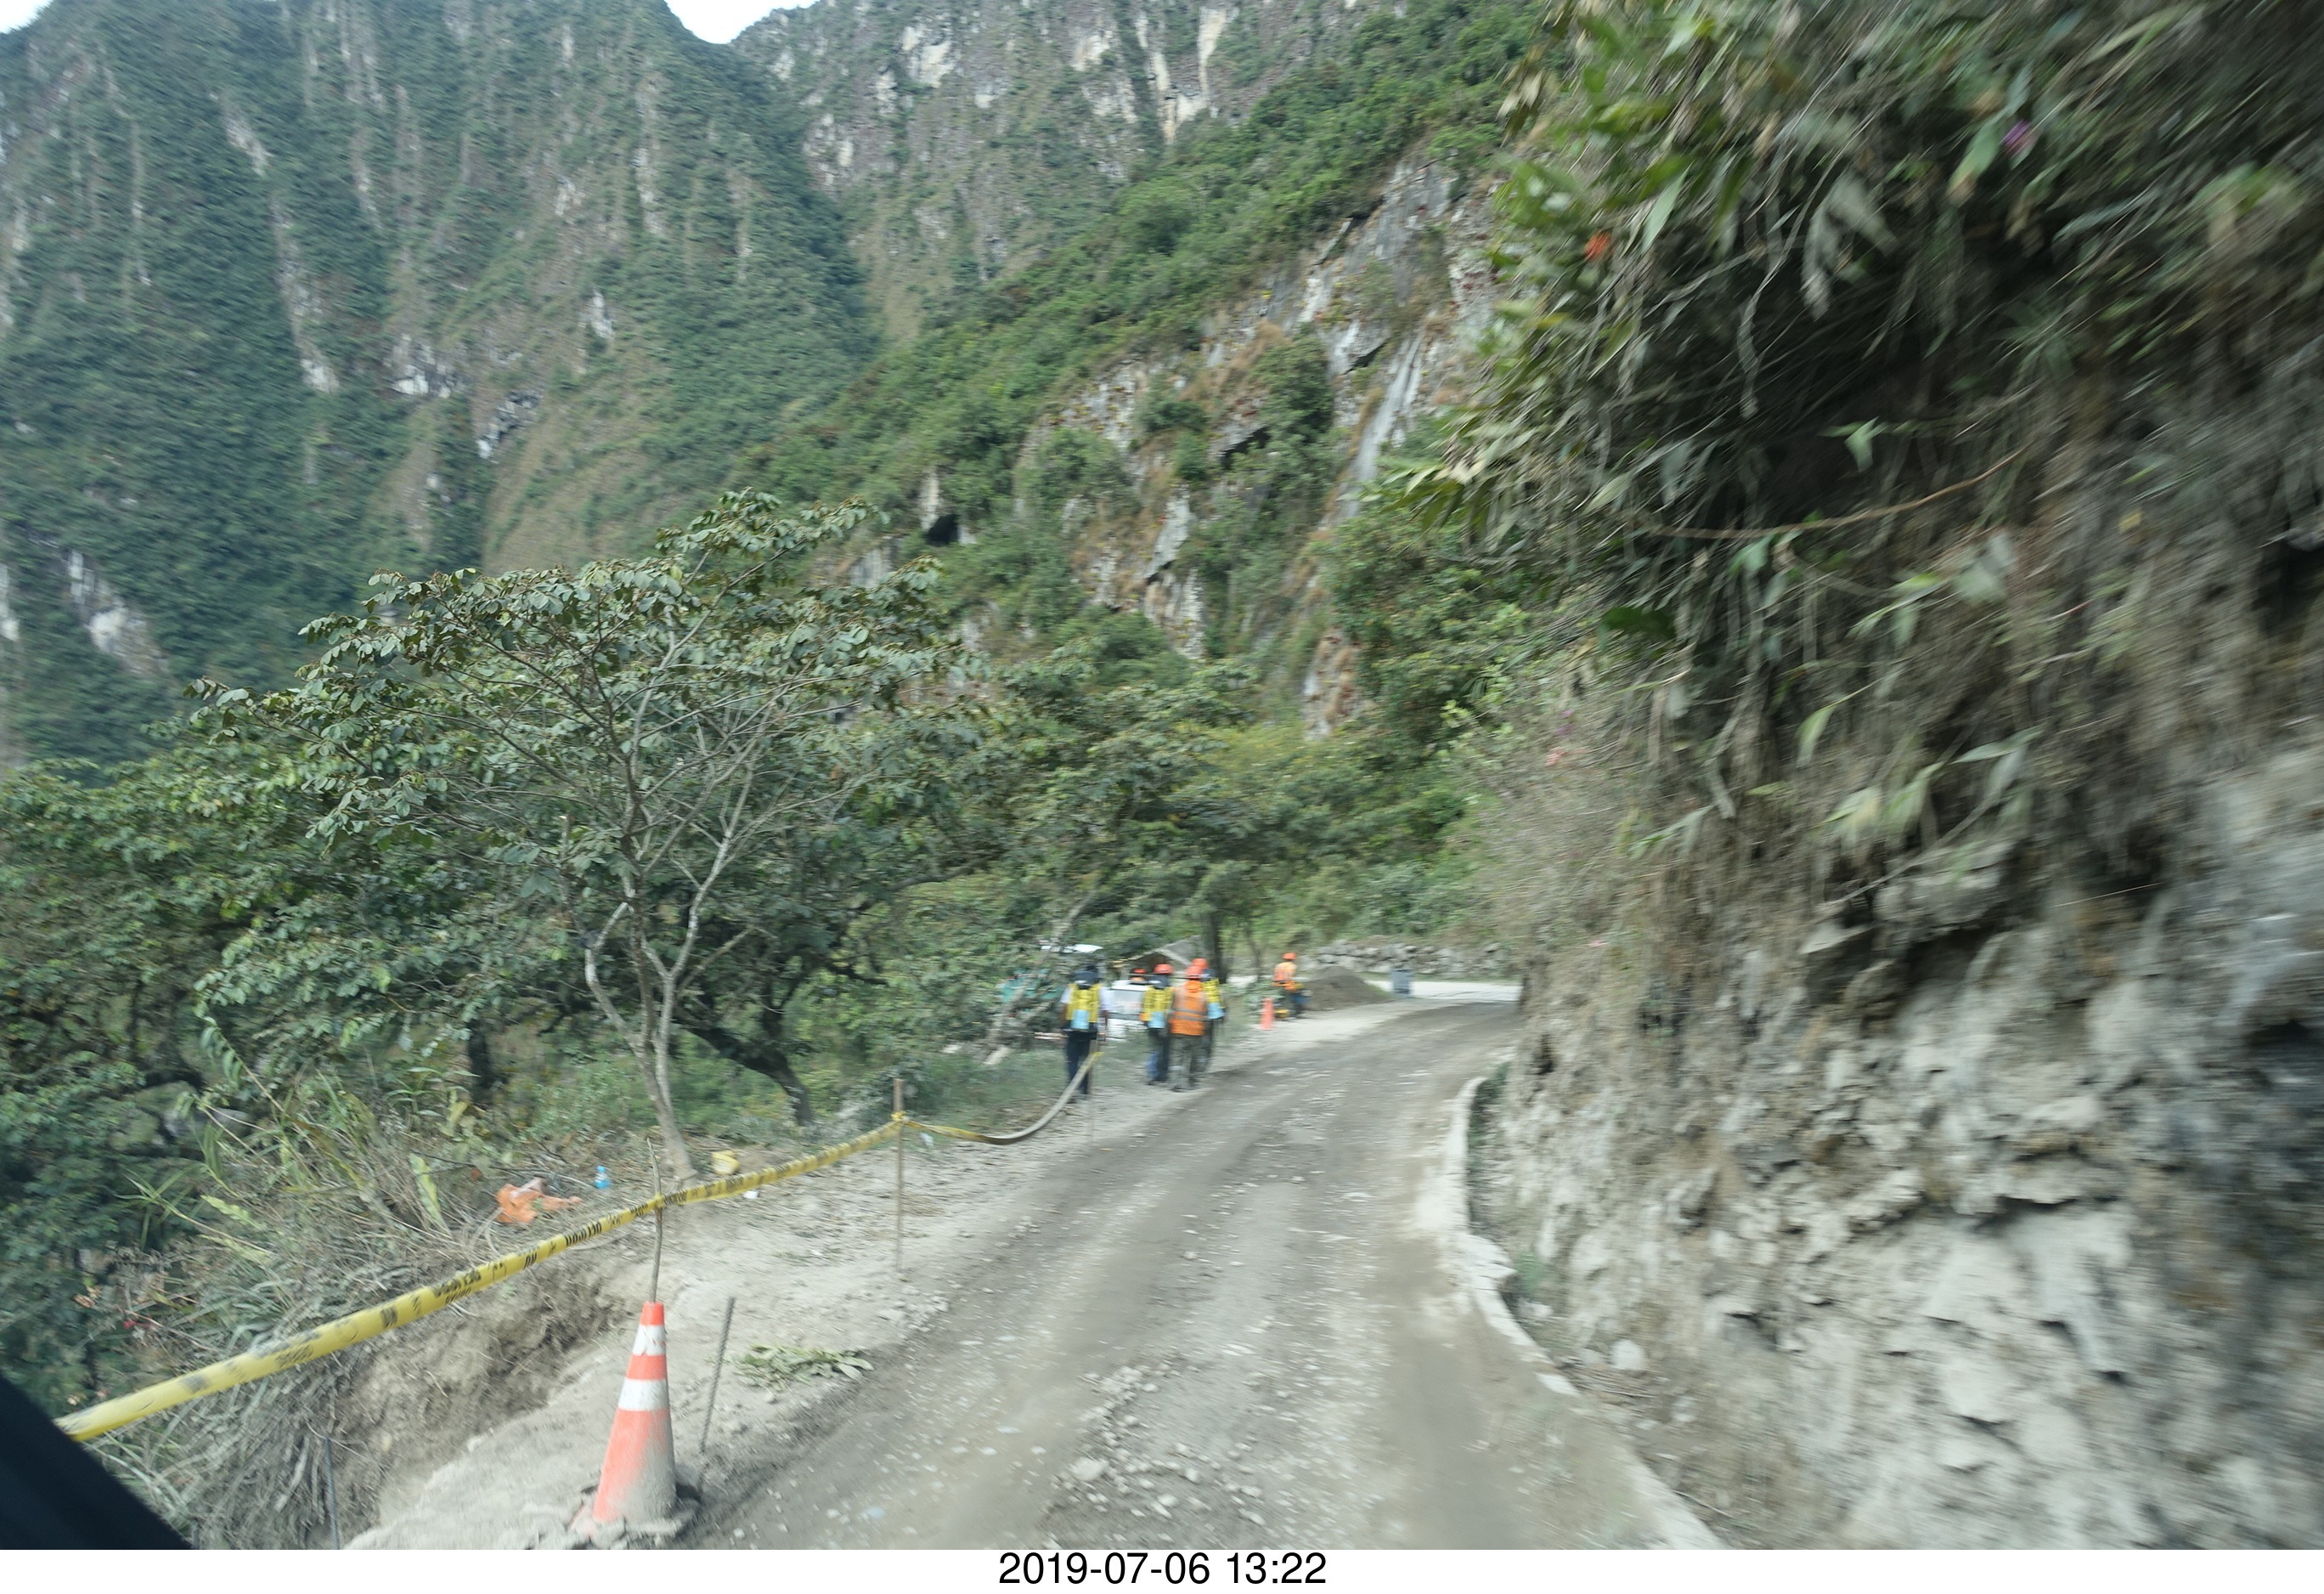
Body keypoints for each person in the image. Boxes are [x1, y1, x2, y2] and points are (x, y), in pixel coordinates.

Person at [1060, 963, 1103, 1098]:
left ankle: (1072, 1091)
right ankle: (1085, 1091)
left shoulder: (1072, 988)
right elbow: (1106, 1011)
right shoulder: (1100, 989)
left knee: (1072, 1060)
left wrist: (1062, 1026)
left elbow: (1065, 1008)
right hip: (1091, 1030)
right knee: (1087, 1061)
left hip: (1073, 1029)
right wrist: (1105, 1030)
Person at [1167, 963, 1210, 1090]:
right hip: (1196, 1033)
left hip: (1178, 1031)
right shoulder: (1204, 995)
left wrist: (1168, 1027)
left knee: (1177, 1058)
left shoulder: (1178, 991)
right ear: (1200, 978)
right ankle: (1192, 1083)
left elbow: (1170, 1011)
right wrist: (1205, 1031)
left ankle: (1175, 1084)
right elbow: (1205, 1016)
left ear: (1187, 977)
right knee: (1194, 1059)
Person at [1140, 963, 1174, 1085]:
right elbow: (1172, 1009)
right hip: (1165, 1024)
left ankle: (1152, 1075)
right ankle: (1163, 1076)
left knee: (1154, 1050)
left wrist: (1146, 1022)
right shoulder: (1171, 990)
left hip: (1151, 1024)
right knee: (1165, 1050)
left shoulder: (1148, 990)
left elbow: (1143, 1007)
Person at [1272, 950, 1307, 1018]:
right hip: (1287, 984)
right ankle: (1295, 1012)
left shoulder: (1279, 965)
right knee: (1296, 995)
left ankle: (1277, 1010)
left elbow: (1276, 975)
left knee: (1280, 998)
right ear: (1293, 959)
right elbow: (1289, 976)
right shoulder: (1292, 966)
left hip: (1277, 984)